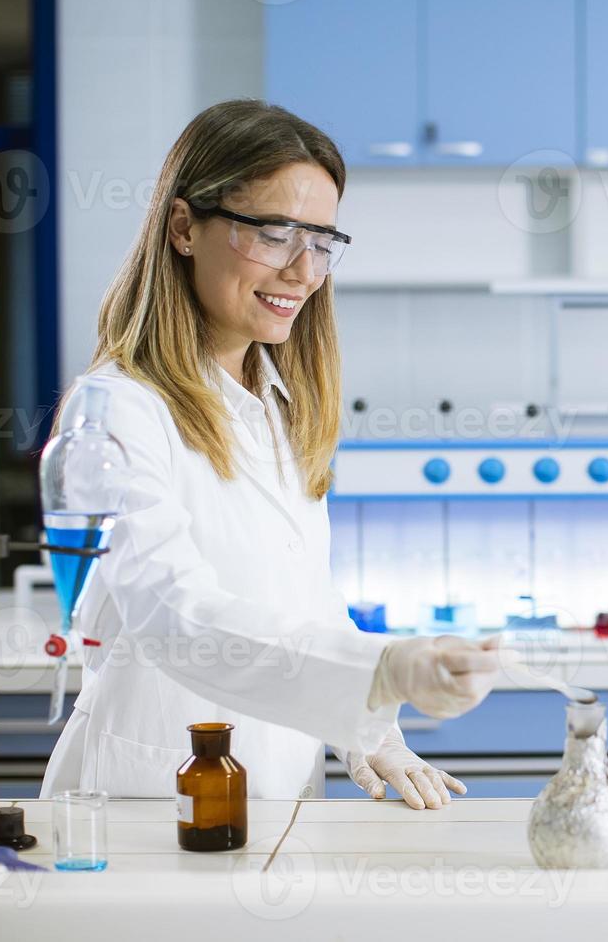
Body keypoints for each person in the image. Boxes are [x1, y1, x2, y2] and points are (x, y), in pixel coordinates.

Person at [41, 100, 502, 808]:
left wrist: (370, 728)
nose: (303, 270)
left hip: (280, 792)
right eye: (275, 232)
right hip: (147, 799)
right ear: (184, 227)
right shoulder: (117, 410)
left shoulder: (281, 404)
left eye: (321, 240)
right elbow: (176, 613)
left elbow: (298, 598)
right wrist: (377, 670)